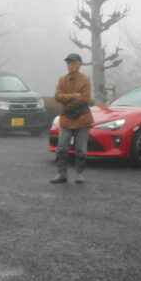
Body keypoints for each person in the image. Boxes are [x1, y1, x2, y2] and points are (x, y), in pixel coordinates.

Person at [51, 53, 93, 184]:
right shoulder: (62, 80)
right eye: (68, 63)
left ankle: (80, 174)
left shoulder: (85, 79)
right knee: (62, 148)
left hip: (82, 117)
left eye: (73, 63)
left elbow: (85, 98)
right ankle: (61, 173)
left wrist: (68, 98)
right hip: (66, 117)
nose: (70, 65)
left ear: (79, 64)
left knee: (81, 149)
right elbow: (57, 96)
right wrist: (74, 96)